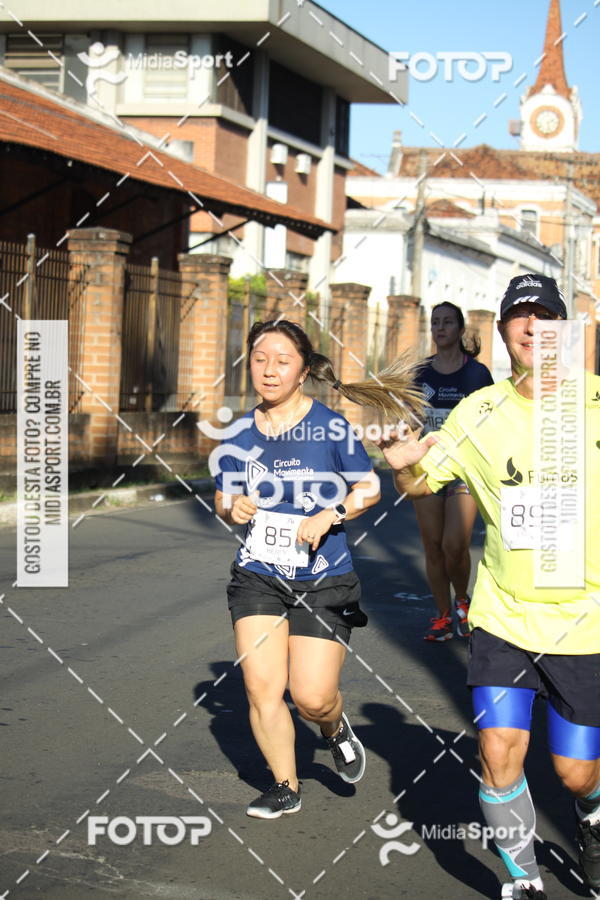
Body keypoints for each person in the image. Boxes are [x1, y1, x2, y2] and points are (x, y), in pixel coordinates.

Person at [377, 275, 600, 899]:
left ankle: (593, 815)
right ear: (502, 332)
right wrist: (405, 470)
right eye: (519, 318)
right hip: (503, 614)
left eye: (545, 318)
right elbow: (424, 485)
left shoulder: (596, 402)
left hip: (583, 621)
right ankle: (524, 880)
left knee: (577, 773)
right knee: (500, 750)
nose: (532, 328)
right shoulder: (481, 411)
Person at [213, 318, 424, 819]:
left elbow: (368, 488)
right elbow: (224, 494)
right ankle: (285, 785)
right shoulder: (238, 433)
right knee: (262, 686)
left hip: (324, 576)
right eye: (261, 359)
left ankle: (332, 727)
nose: (268, 370)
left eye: (282, 361)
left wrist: (333, 513)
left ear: (303, 370)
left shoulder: (329, 426)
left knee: (311, 697)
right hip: (259, 574)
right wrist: (232, 506)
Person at [414, 302, 493, 641]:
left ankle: (462, 600)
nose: (440, 327)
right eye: (435, 323)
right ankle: (443, 617)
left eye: (447, 322)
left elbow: (490, 421)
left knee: (454, 544)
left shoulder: (477, 374)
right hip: (428, 466)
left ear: (461, 329)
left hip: (464, 468)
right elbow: (412, 418)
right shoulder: (421, 372)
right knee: (432, 545)